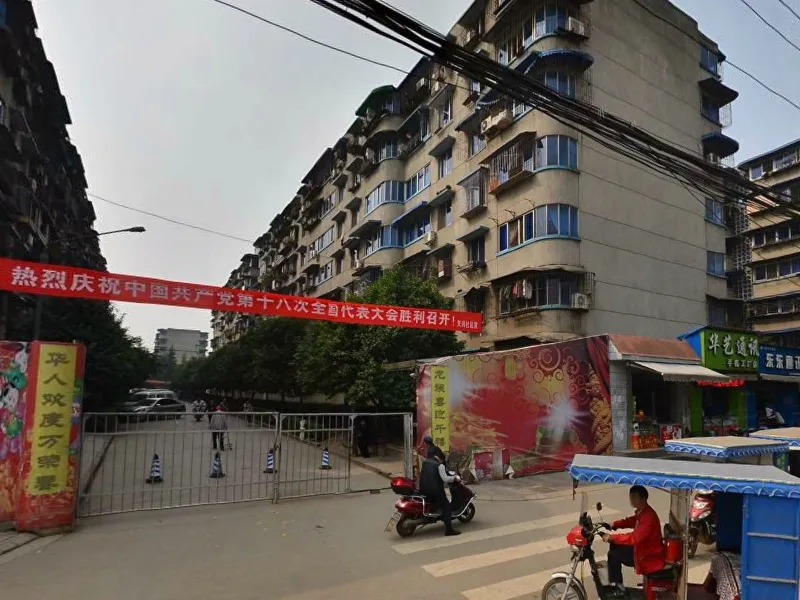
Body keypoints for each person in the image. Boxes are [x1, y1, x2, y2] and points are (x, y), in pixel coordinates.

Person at [600, 485, 665, 596]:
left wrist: (612, 537)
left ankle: (619, 588)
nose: (632, 500)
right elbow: (632, 521)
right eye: (631, 497)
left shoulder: (648, 517)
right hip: (643, 548)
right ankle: (617, 583)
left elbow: (634, 538)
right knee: (614, 546)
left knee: (613, 554)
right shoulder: (643, 511)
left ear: (643, 499)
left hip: (647, 554)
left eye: (635, 497)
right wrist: (614, 524)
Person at [418, 454, 460, 537]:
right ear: (441, 458)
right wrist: (454, 478)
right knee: (447, 507)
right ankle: (449, 530)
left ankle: (437, 513)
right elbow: (445, 478)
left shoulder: (425, 462)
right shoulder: (440, 465)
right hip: (435, 491)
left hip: (424, 489)